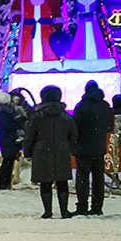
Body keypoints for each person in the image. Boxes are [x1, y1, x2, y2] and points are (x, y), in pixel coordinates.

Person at [23, 84, 78, 219]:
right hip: (61, 151)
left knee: (45, 183)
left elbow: (29, 136)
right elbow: (74, 135)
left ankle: (48, 211)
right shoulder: (66, 116)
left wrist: (28, 152)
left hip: (41, 152)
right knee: (62, 182)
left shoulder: (36, 116)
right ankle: (64, 211)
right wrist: (67, 146)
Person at [72, 80, 114, 215]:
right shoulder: (105, 106)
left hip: (83, 148)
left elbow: (75, 127)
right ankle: (97, 207)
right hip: (99, 147)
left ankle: (82, 206)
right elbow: (109, 126)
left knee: (83, 178)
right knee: (98, 179)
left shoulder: (82, 106)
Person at [0, 90, 23, 190]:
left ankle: (5, 182)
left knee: (8, 160)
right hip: (8, 139)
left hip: (6, 138)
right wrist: (17, 124)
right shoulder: (4, 113)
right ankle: (4, 183)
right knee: (8, 161)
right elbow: (9, 125)